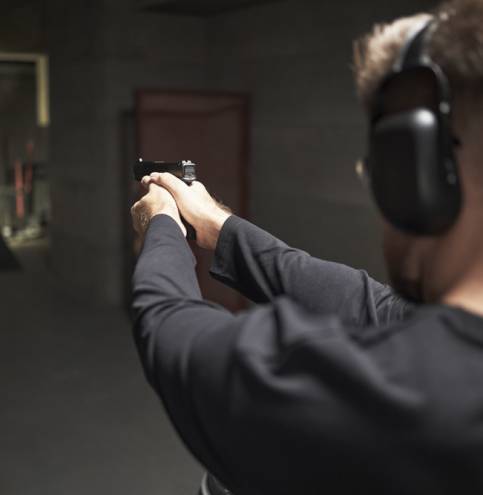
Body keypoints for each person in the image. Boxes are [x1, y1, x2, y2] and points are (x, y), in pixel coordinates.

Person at [130, 0, 483, 493]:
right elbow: (371, 304)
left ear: (415, 175)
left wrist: (161, 226)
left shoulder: (392, 394)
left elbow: (170, 328)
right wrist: (219, 225)